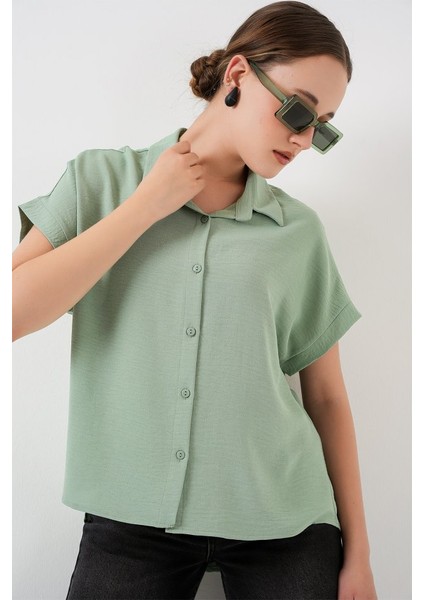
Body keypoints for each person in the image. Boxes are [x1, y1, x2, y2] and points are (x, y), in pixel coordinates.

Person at [12, 1, 378, 598]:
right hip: (129, 516)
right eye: (298, 110)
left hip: (285, 520)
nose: (303, 137)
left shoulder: (297, 231)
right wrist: (144, 206)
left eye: (323, 128)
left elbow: (328, 397)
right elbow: (12, 313)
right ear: (237, 75)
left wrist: (359, 554)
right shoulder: (100, 181)